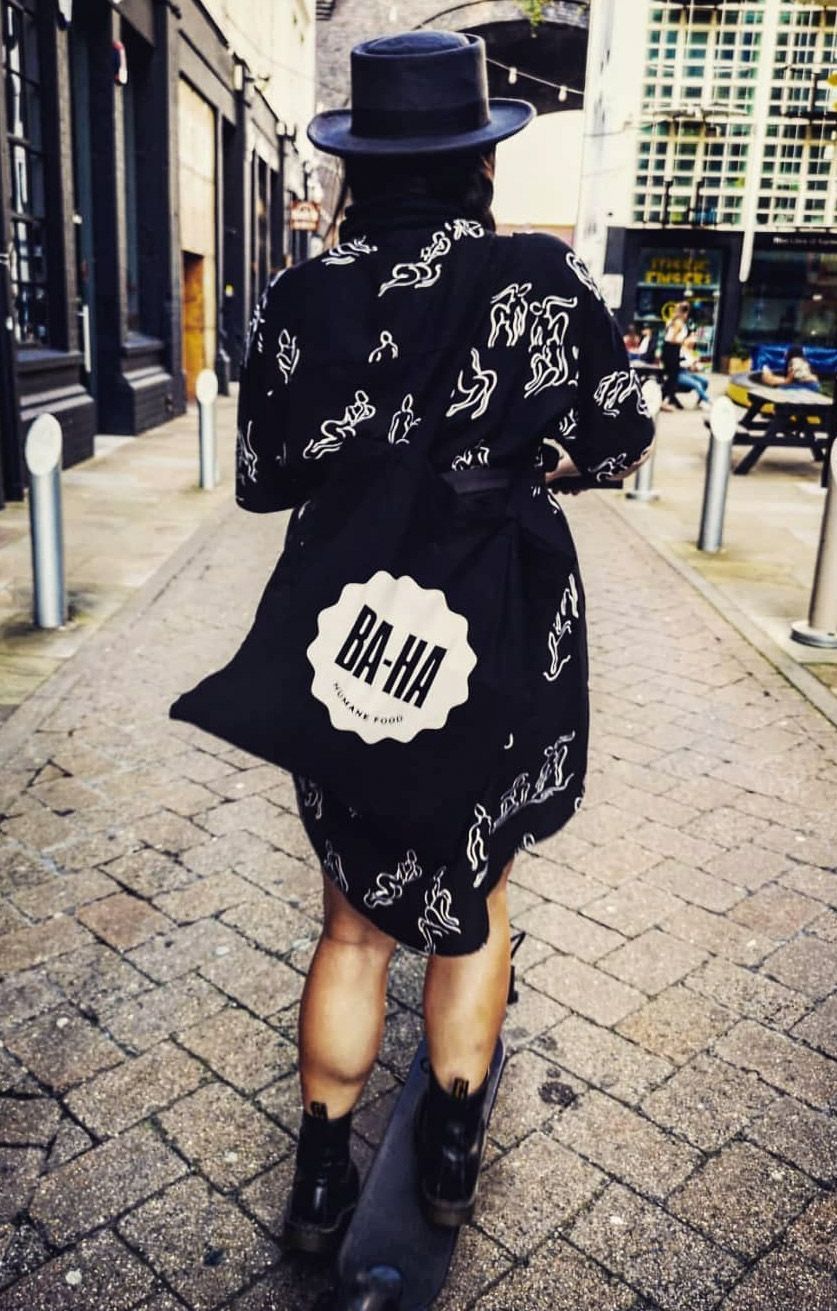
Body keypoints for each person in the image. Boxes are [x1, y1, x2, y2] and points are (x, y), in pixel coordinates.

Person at [233, 30, 655, 1256]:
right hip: (503, 615)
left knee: (353, 922)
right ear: (480, 162)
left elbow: (264, 478)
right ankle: (452, 1158)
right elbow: (622, 435)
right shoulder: (544, 279)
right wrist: (535, 464)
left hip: (350, 633)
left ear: (357, 166)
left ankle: (320, 1186)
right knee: (477, 892)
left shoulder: (304, 292)